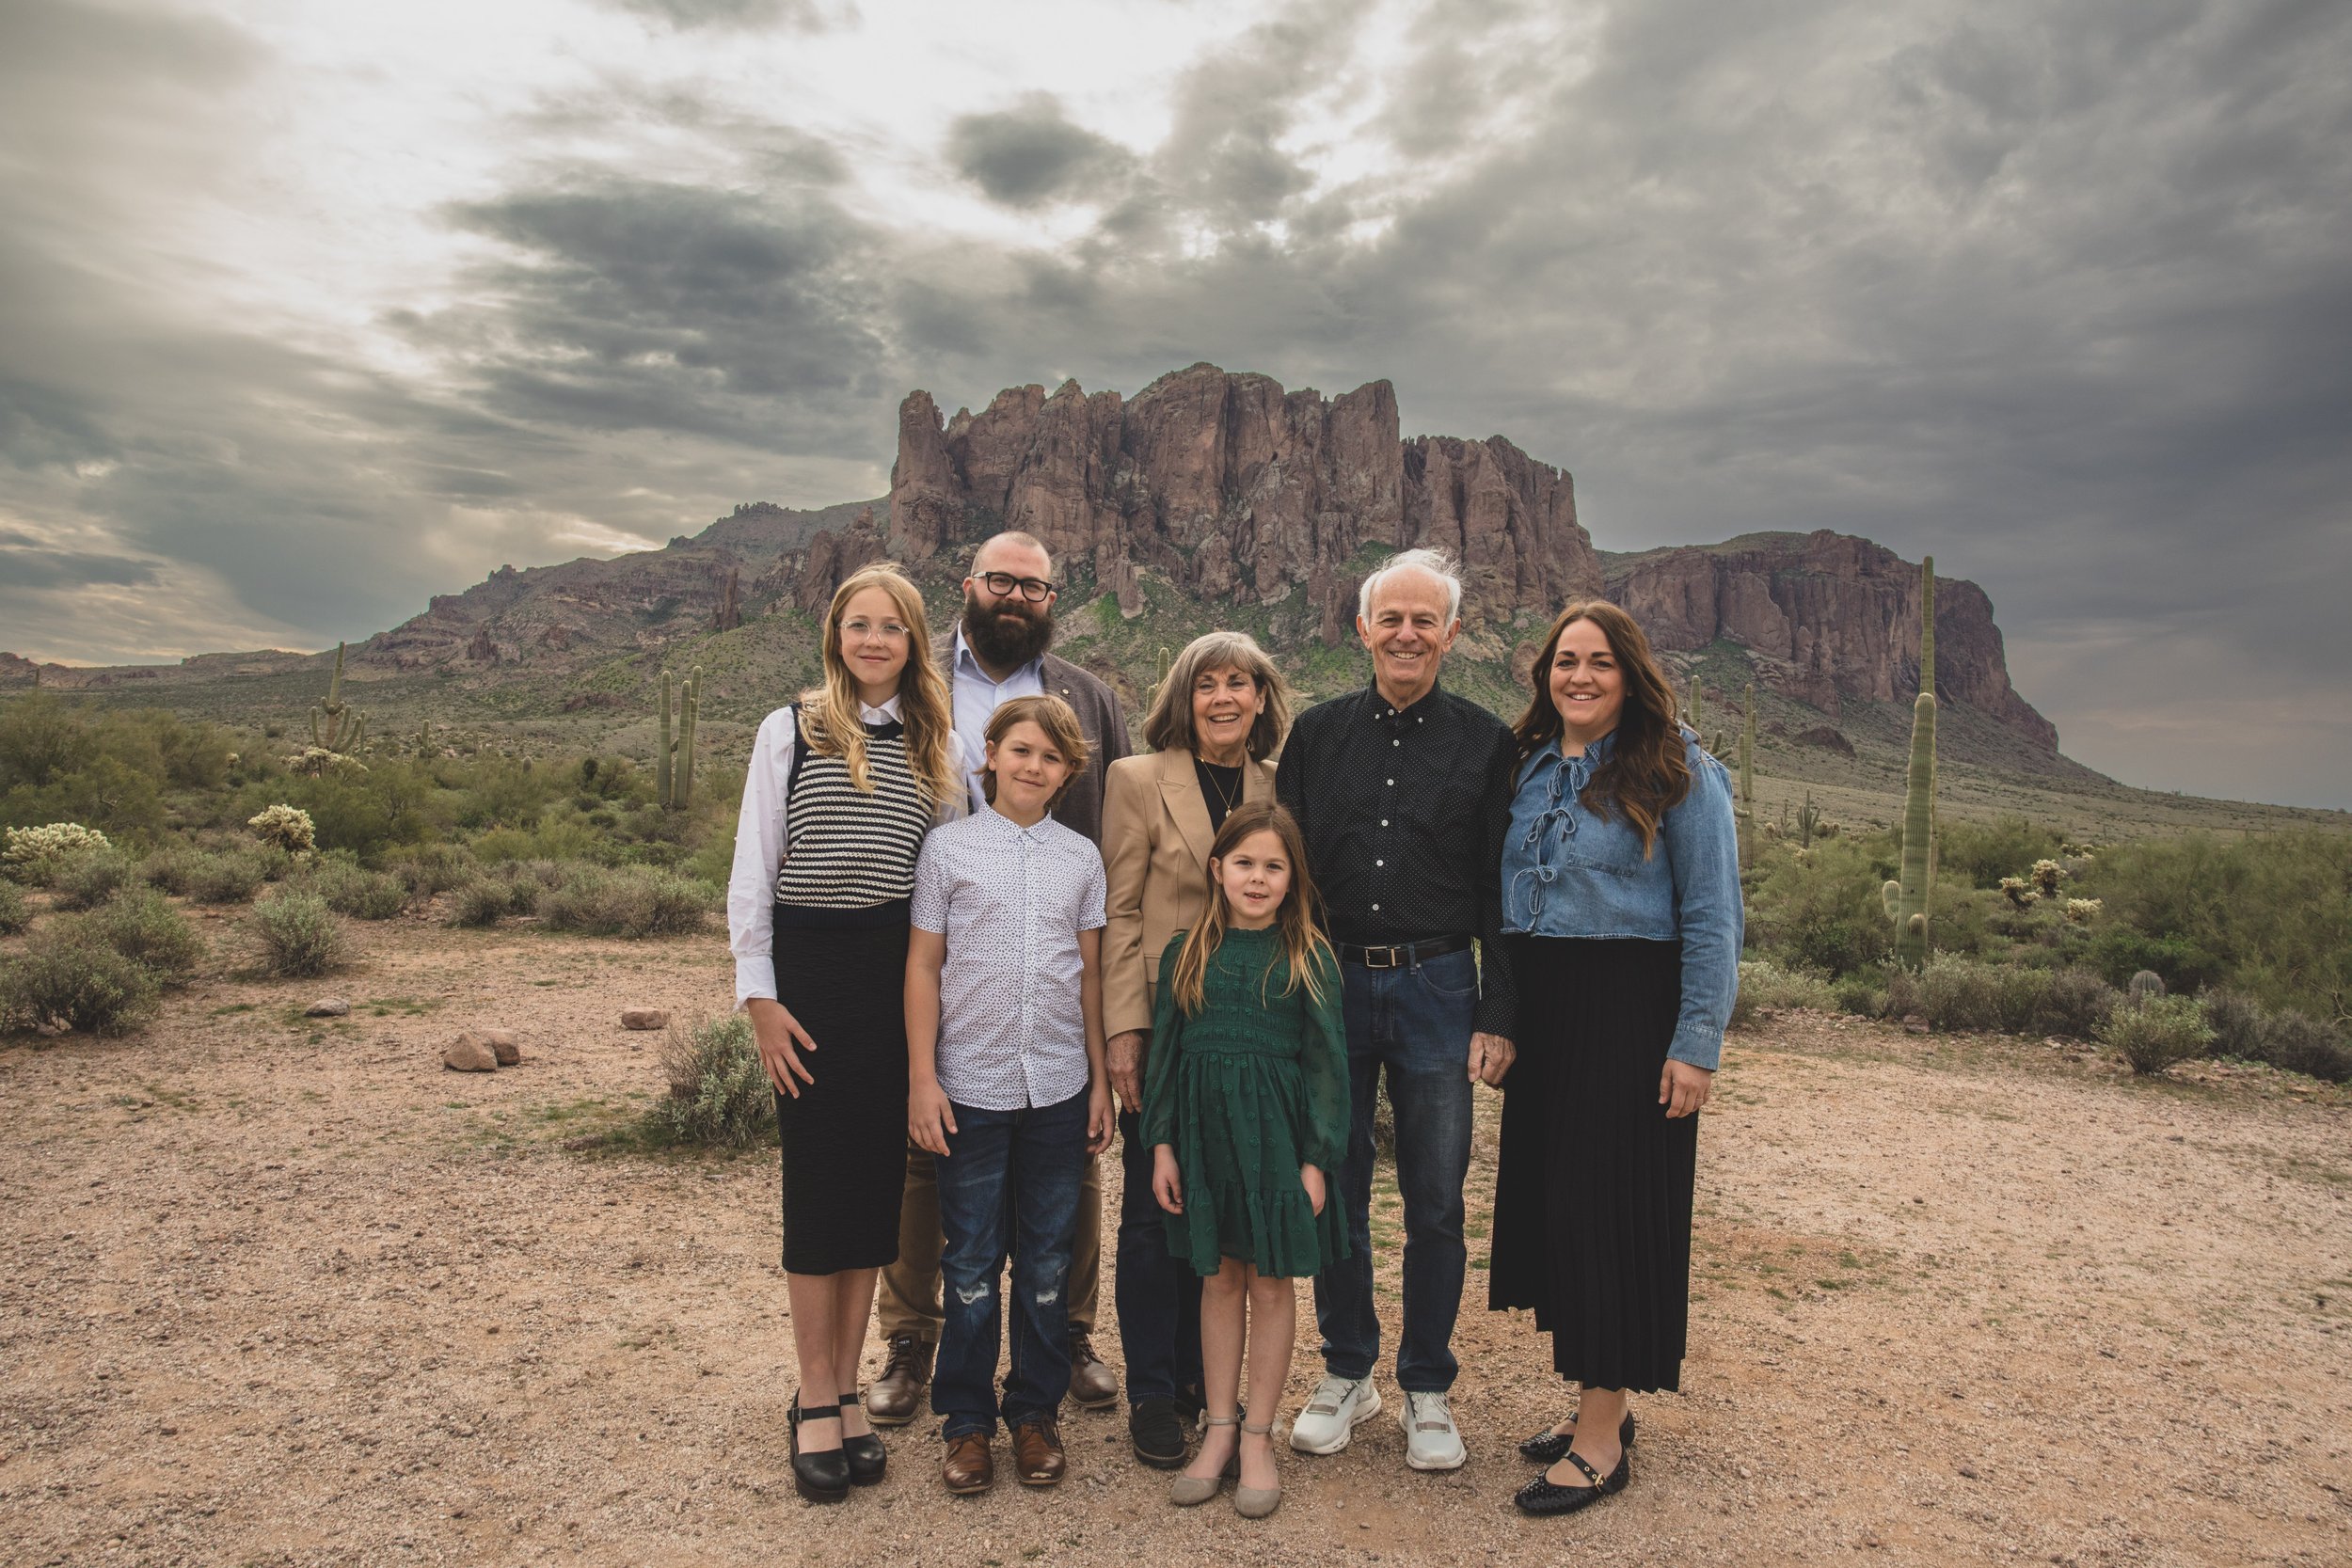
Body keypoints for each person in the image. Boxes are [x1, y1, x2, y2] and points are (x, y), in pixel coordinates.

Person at [1486, 601, 1740, 1515]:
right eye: (1564, 661)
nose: (1579, 676)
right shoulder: (1526, 769)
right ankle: (1599, 1400)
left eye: (1598, 661)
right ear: (1544, 674)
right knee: (1563, 1214)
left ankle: (1601, 1441)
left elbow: (1713, 915)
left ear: (1628, 674)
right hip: (1551, 1016)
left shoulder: (1679, 772)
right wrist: (1506, 1013)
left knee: (1609, 1215)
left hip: (1631, 1013)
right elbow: (1504, 911)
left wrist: (1694, 1043)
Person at [872, 531, 1131, 1424]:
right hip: (932, 944)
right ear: (968, 584)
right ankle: (912, 1336)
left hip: (1054, 976)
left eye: (1034, 584)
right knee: (926, 1153)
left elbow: (1118, 825)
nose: (1016, 595)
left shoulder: (1087, 699)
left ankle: (1070, 1330)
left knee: (1072, 1165)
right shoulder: (913, 685)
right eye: (1001, 579)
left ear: (1053, 596)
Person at [1275, 546, 1519, 1472]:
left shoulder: (1486, 741)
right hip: (1332, 979)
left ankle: (1426, 1383)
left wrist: (1498, 1011)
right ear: (1362, 628)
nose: (1407, 632)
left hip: (1438, 984)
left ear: (1451, 634)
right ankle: (1347, 1368)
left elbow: (1498, 888)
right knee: (1333, 1182)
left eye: (1426, 619)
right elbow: (1282, 874)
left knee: (1435, 1196)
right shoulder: (1318, 733)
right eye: (1392, 617)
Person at [724, 563, 962, 1504]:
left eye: (891, 627)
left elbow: (939, 886)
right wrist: (759, 996)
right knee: (816, 1189)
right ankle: (812, 1391)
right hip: (807, 976)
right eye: (858, 624)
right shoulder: (788, 729)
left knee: (869, 1196)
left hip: (890, 976)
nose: (873, 640)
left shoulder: (933, 747)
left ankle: (848, 1387)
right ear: (836, 634)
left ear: (911, 642)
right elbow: (754, 868)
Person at [906, 694, 1117, 1496]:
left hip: (1060, 1085)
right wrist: (923, 1078)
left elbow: (1091, 974)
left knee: (1045, 1262)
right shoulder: (947, 850)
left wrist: (1099, 1080)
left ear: (1068, 772)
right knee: (966, 1262)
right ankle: (965, 1422)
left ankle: (1034, 1411)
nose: (1034, 766)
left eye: (1052, 757)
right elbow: (924, 966)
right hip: (971, 1087)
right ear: (989, 753)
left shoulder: (1081, 857)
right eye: (1021, 750)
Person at [1099, 631, 1290, 1469]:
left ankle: (1194, 1383)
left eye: (1238, 683)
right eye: (1206, 682)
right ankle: (1151, 1390)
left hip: (1243, 1034)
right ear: (1185, 694)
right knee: (1151, 1208)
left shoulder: (1278, 786)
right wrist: (1124, 1030)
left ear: (1260, 698)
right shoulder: (1136, 779)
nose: (1222, 697)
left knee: (1213, 1206)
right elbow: (1123, 910)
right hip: (1164, 1026)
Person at [1145, 800, 1349, 1520]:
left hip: (1277, 1145)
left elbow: (1329, 1066)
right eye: (1244, 864)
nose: (1257, 878)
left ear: (1292, 877)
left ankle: (1260, 1435)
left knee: (1270, 1282)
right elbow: (1164, 1062)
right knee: (1218, 1280)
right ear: (1216, 869)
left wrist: (1317, 1161)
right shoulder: (1185, 953)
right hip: (1206, 1143)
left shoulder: (1309, 955)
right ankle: (1221, 1427)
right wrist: (1163, 1145)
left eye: (1272, 866)